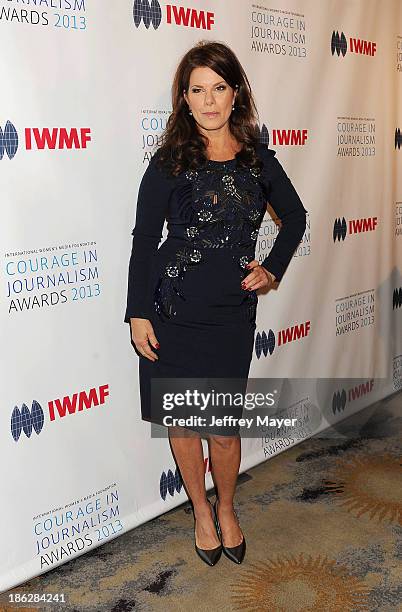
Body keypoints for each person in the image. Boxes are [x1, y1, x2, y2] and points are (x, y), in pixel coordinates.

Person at [124, 40, 307, 566]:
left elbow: (294, 219)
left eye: (219, 88)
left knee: (223, 432)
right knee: (183, 424)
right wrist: (138, 311)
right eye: (197, 90)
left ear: (236, 94)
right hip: (171, 310)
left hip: (230, 315)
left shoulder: (257, 160)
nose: (208, 101)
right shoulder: (170, 161)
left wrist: (272, 269)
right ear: (184, 98)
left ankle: (227, 508)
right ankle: (201, 513)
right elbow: (143, 240)